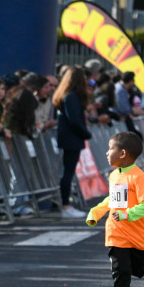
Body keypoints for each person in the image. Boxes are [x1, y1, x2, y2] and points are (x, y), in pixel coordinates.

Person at [85, 132, 144, 287]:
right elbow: (112, 200)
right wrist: (95, 212)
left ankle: (139, 267)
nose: (107, 153)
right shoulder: (114, 175)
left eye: (110, 148)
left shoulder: (138, 177)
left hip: (139, 235)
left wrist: (127, 214)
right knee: (120, 270)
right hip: (116, 233)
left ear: (123, 153)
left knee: (138, 269)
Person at [52, 66, 92, 219]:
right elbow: (74, 120)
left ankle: (66, 204)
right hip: (71, 138)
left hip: (69, 138)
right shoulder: (71, 97)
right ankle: (66, 205)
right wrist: (85, 133)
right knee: (67, 172)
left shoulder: (67, 96)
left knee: (68, 172)